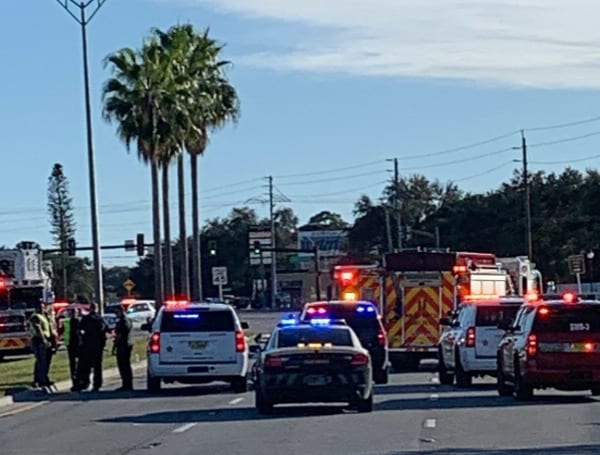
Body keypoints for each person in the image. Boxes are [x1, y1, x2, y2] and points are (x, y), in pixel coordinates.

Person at [74, 302, 107, 392]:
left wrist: (82, 336)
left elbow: (79, 330)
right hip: (98, 346)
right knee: (97, 366)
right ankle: (97, 384)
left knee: (86, 365)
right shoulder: (100, 319)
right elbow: (105, 330)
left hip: (87, 345)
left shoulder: (86, 319)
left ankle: (85, 383)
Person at [28, 303, 51, 389]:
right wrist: (44, 340)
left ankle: (43, 378)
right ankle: (40, 380)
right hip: (39, 340)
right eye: (40, 307)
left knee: (44, 361)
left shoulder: (43, 316)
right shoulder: (35, 317)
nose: (42, 309)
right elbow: (38, 329)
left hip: (44, 339)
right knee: (41, 361)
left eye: (42, 307)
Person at [113, 306, 133, 391]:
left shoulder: (124, 321)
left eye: (116, 312)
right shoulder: (125, 320)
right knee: (123, 365)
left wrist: (115, 346)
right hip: (124, 345)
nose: (116, 314)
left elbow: (121, 335)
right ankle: (126, 384)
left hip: (124, 345)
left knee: (124, 365)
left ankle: (127, 384)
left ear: (121, 311)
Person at [63, 307, 81, 388]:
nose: (73, 314)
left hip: (80, 345)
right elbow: (62, 331)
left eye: (75, 312)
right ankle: (75, 383)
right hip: (70, 345)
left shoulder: (81, 321)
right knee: (73, 365)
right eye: (72, 312)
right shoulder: (66, 322)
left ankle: (81, 381)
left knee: (80, 364)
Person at [44, 304, 58, 388]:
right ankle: (42, 378)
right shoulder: (46, 319)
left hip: (52, 340)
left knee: (48, 361)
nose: (53, 312)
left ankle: (45, 377)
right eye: (51, 311)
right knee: (43, 361)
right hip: (47, 340)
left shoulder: (51, 319)